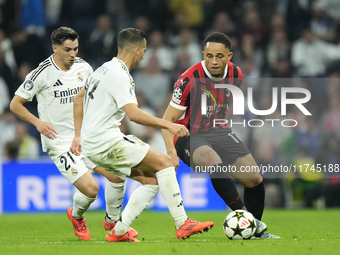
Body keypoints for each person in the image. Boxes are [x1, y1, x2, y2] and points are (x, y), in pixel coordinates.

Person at [9, 27, 155, 241]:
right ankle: (76, 215)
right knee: (91, 189)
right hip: (58, 142)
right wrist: (37, 122)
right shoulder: (41, 73)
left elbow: (93, 98)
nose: (72, 54)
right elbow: (15, 104)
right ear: (55, 48)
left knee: (117, 176)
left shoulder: (84, 68)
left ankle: (113, 223)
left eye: (75, 49)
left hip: (85, 136)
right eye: (67, 50)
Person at [76, 28, 214, 242]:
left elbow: (80, 98)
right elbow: (133, 115)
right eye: (145, 51)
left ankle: (119, 231)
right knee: (165, 164)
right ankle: (183, 223)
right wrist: (169, 125)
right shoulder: (120, 74)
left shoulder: (103, 69)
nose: (144, 56)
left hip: (93, 144)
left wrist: (81, 133)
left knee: (152, 179)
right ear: (137, 50)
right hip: (106, 142)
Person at [162, 32, 280, 239]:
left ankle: (253, 232)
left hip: (219, 131)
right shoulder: (188, 79)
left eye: (219, 56)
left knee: (254, 179)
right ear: (203, 55)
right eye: (209, 56)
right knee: (214, 162)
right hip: (188, 135)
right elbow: (167, 120)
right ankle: (249, 221)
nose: (214, 61)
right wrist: (171, 153)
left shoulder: (237, 74)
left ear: (229, 56)